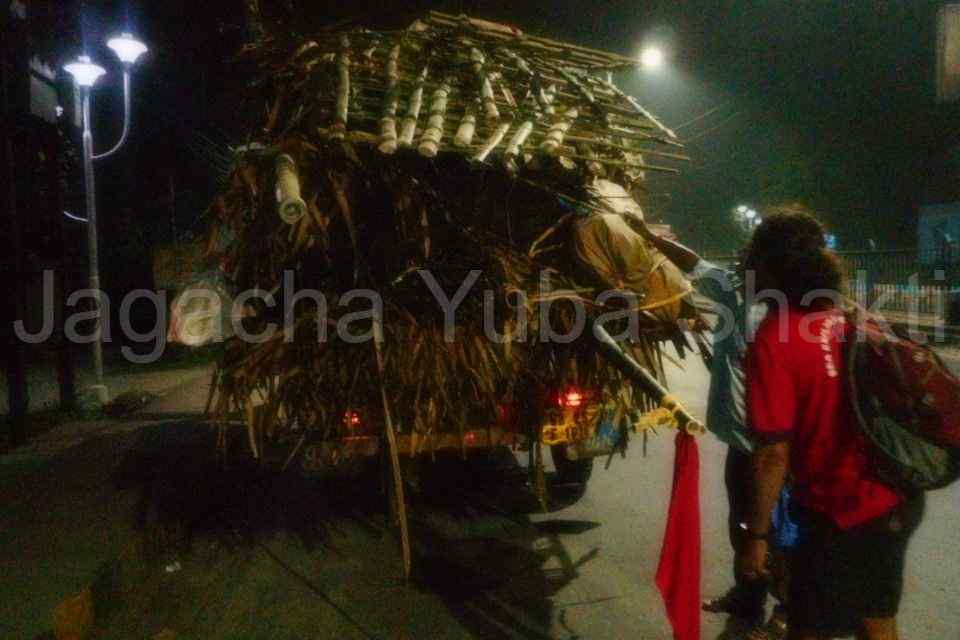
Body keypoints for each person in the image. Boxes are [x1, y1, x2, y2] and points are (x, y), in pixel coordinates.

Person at [737, 209, 924, 640]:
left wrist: (756, 535)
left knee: (810, 628)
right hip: (895, 497)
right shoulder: (848, 317)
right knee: (875, 619)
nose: (746, 266)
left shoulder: (774, 338)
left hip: (841, 510)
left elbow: (772, 454)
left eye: (754, 256)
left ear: (772, 267)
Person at [636, 222, 786, 634]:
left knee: (774, 530)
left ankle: (787, 612)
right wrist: (652, 239)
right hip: (740, 440)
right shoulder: (733, 290)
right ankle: (748, 593)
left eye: (750, 256)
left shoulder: (785, 310)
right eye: (743, 255)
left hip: (772, 446)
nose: (740, 260)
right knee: (741, 521)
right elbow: (695, 263)